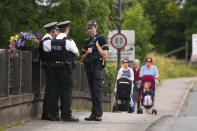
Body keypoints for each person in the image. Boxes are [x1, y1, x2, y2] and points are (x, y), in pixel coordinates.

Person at [46, 20, 80, 122]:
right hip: (66, 70)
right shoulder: (68, 41)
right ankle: (66, 115)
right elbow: (77, 54)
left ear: (58, 29)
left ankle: (54, 115)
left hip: (55, 69)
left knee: (55, 92)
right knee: (66, 92)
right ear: (67, 29)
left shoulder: (53, 40)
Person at [81, 20, 109, 121]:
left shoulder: (101, 38)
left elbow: (105, 54)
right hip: (89, 67)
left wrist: (97, 46)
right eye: (88, 28)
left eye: (91, 28)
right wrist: (87, 53)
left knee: (97, 91)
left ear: (96, 27)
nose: (90, 30)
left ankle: (98, 114)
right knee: (92, 92)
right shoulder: (87, 41)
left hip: (97, 67)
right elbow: (82, 59)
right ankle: (93, 114)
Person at [40, 21, 58, 121]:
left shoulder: (48, 39)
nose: (56, 33)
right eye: (56, 31)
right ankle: (46, 113)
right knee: (49, 91)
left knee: (50, 90)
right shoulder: (47, 41)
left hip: (50, 67)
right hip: (49, 68)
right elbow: (54, 53)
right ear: (53, 31)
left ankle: (48, 112)